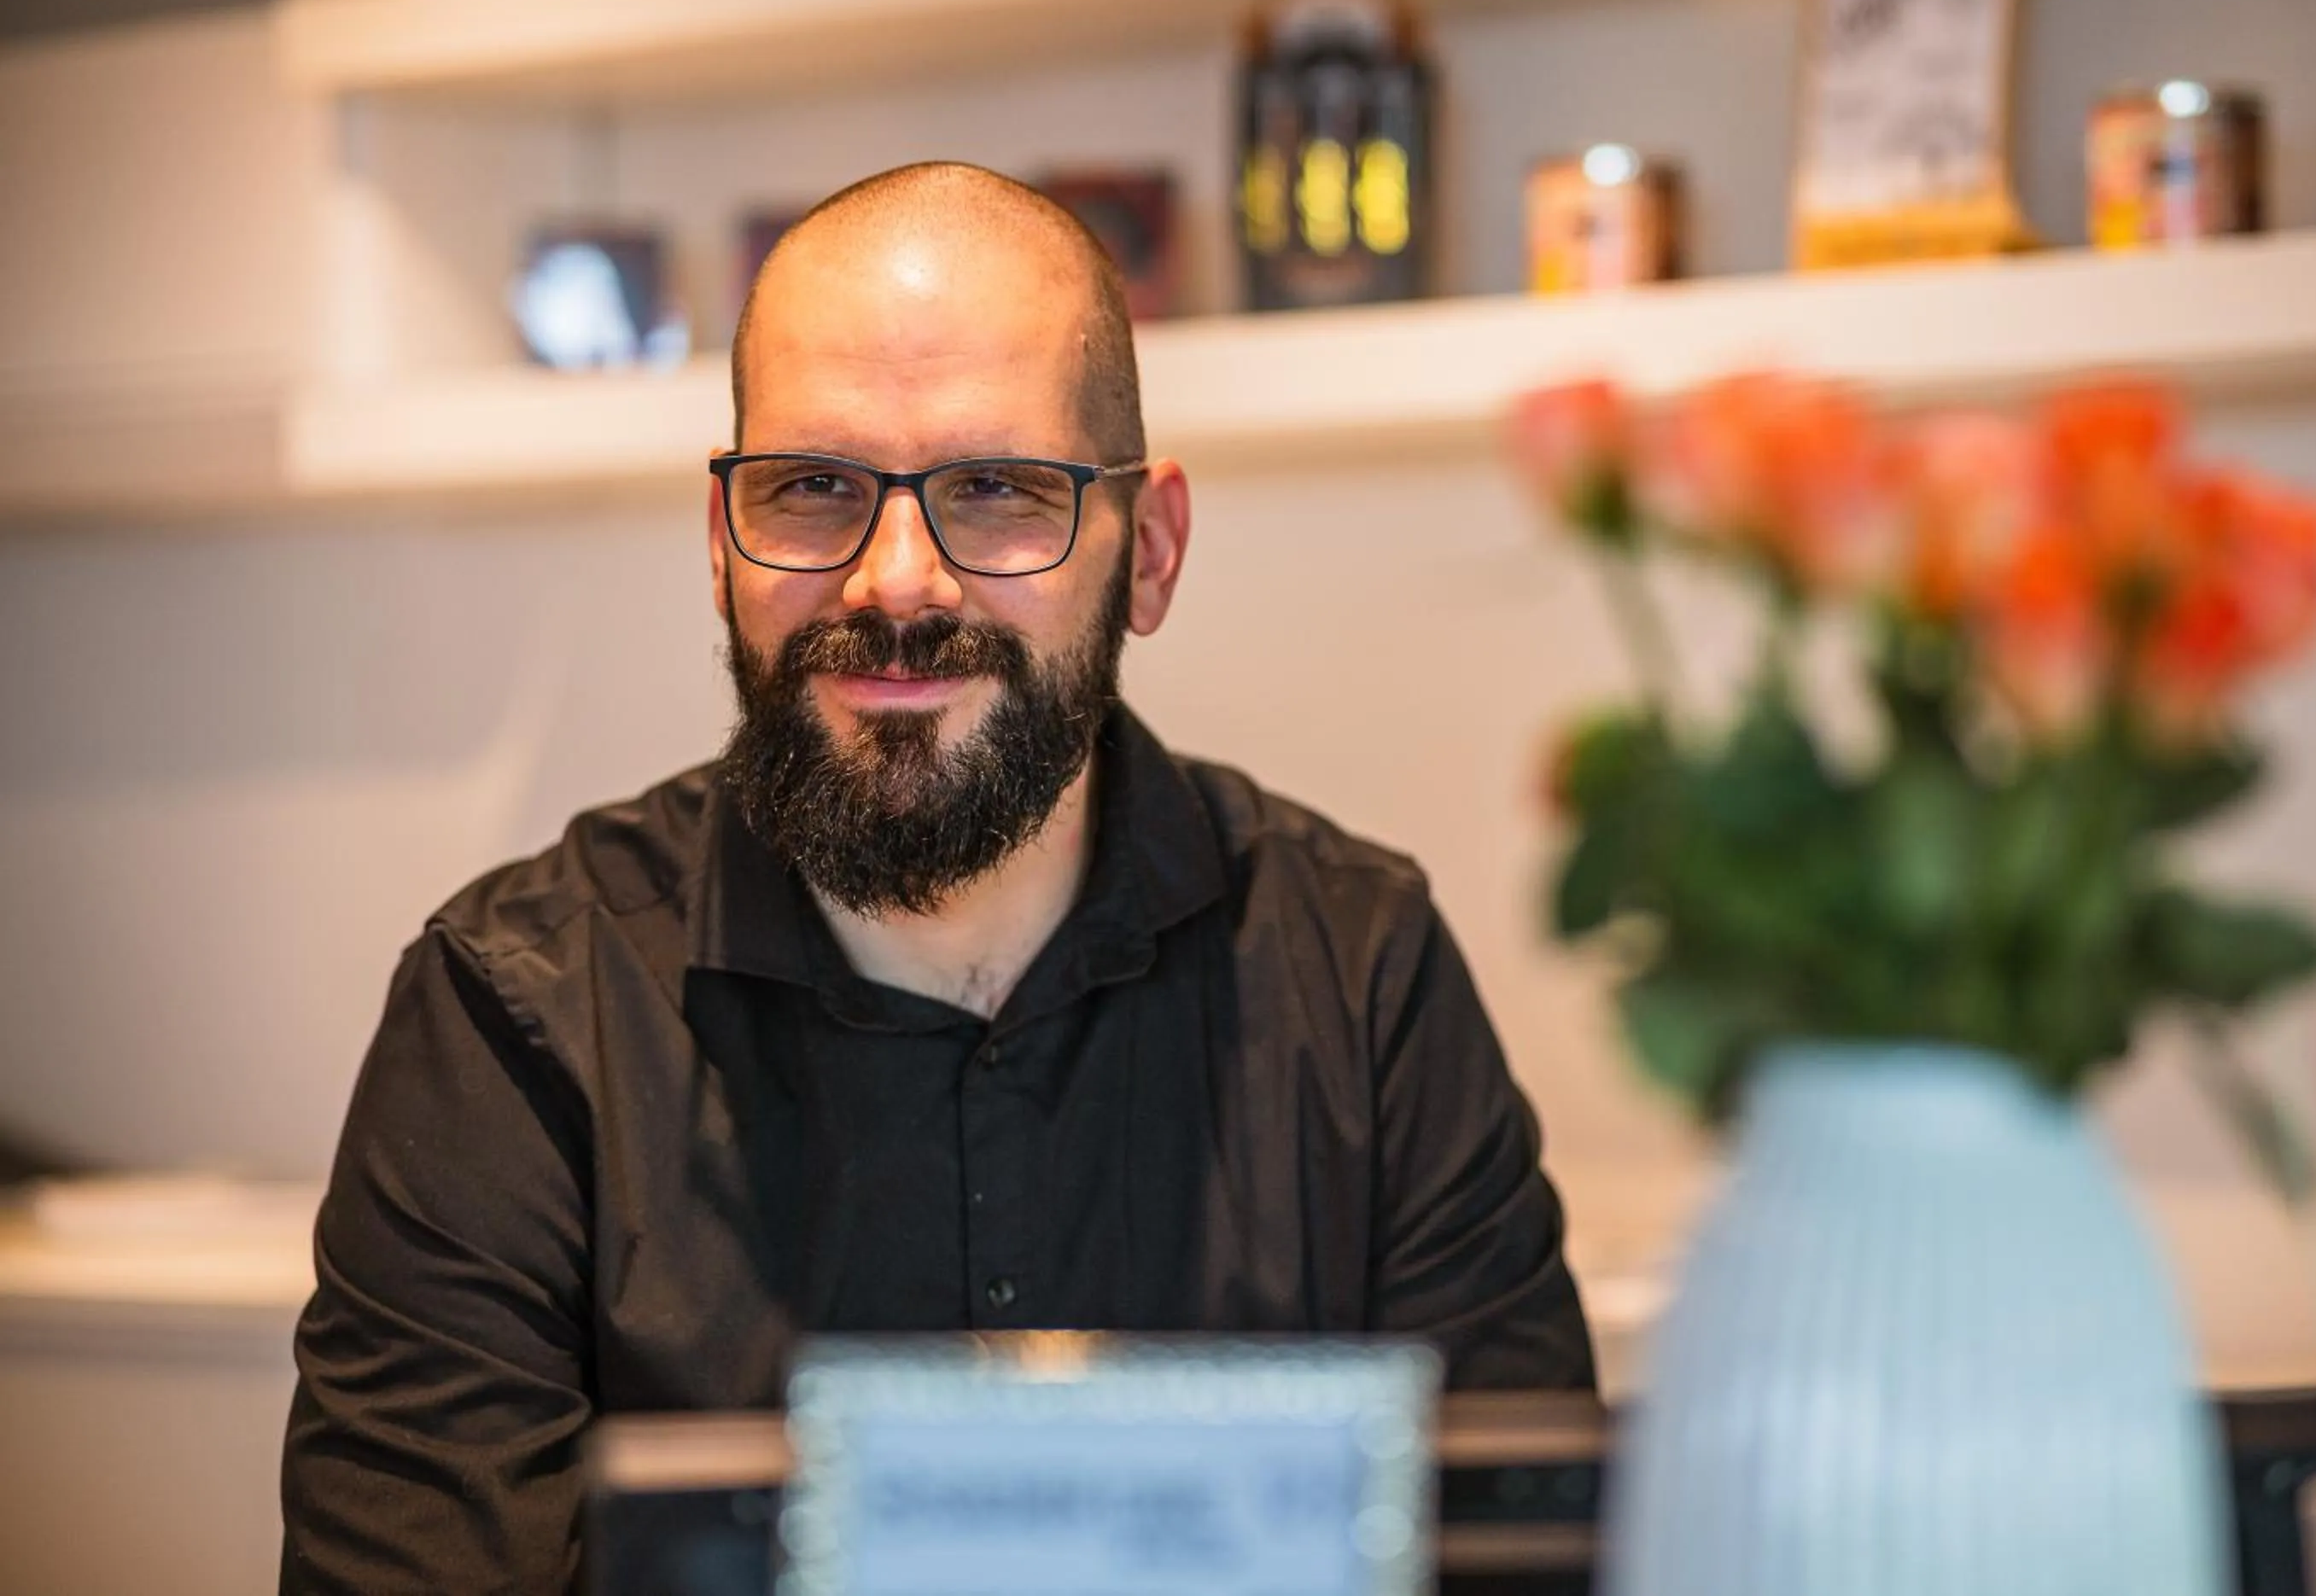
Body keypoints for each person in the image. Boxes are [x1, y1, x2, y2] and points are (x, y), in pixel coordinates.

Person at [278, 161, 1593, 1594]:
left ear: (1146, 553)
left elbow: (1521, 1559)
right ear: (722, 548)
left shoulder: (1361, 977)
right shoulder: (510, 1021)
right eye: (814, 487)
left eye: (995, 490)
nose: (896, 582)